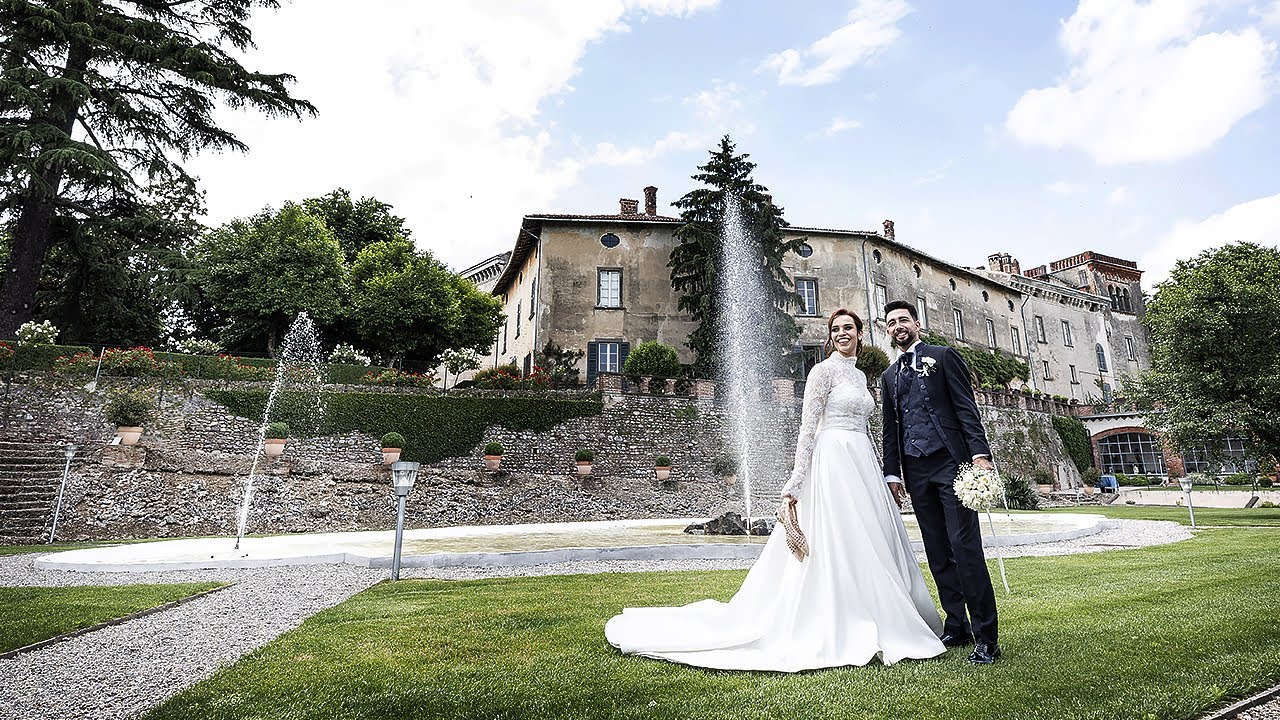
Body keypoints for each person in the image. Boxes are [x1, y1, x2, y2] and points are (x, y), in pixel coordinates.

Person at [604, 308, 946, 671]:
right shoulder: (822, 371)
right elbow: (808, 428)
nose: (843, 334)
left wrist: (883, 473)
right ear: (830, 337)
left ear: (860, 334)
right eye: (836, 329)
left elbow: (866, 427)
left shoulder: (862, 377)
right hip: (831, 463)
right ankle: (843, 620)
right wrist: (797, 480)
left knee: (871, 540)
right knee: (840, 540)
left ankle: (880, 612)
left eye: (849, 328)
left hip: (862, 463)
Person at [879, 299, 1001, 665]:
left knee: (964, 547)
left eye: (903, 320)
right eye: (891, 323)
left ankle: (986, 637)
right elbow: (890, 429)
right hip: (916, 471)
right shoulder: (888, 376)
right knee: (936, 550)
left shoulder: (943, 356)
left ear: (917, 323)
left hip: (952, 463)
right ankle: (957, 624)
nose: (898, 326)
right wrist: (893, 472)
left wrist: (979, 455)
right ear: (887, 331)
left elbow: (966, 408)